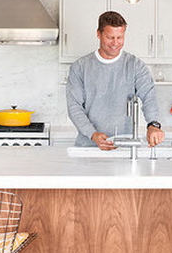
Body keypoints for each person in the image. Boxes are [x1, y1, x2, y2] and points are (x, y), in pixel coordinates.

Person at [66, 11, 165, 150]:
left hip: (125, 147)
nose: (115, 43)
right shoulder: (80, 67)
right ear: (98, 34)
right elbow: (74, 107)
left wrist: (153, 125)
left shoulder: (135, 65)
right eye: (110, 37)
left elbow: (150, 97)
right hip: (89, 146)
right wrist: (93, 134)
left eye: (120, 37)